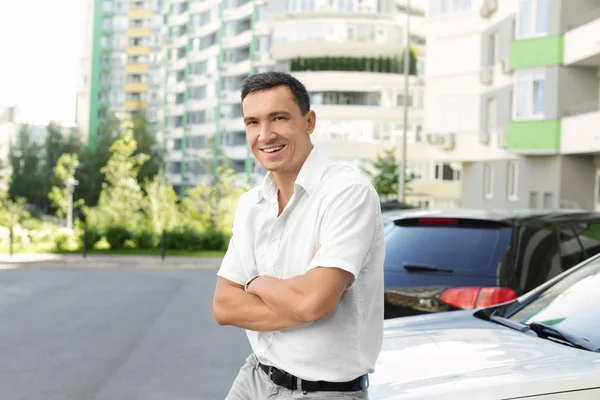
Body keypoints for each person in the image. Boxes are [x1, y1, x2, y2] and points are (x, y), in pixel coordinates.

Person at [212, 71, 385, 400]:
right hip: (255, 379)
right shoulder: (251, 204)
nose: (265, 134)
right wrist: (302, 300)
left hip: (325, 392)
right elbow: (224, 306)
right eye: (253, 122)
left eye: (278, 118)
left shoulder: (347, 193)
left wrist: (255, 283)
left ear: (309, 122)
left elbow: (312, 302)